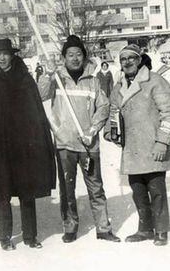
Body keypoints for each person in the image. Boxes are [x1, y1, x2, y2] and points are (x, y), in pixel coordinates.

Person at [38, 35, 120, 243]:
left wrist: (92, 130)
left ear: (84, 57)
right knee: (67, 188)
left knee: (96, 187)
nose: (75, 58)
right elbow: (40, 94)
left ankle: (103, 227)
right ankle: (70, 226)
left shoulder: (93, 81)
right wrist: (47, 74)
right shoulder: (57, 78)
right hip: (65, 144)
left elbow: (103, 107)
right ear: (64, 57)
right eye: (70, 54)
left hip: (88, 144)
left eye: (79, 54)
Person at [0, 38, 56, 250]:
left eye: (5, 53)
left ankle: (30, 236)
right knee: (2, 193)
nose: (2, 58)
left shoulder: (25, 80)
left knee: (26, 192)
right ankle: (4, 237)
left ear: (12, 55)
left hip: (23, 147)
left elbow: (36, 112)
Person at [105, 44, 170, 246]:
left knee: (157, 190)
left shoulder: (155, 81)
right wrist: (110, 132)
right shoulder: (118, 88)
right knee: (138, 190)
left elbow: (168, 113)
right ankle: (145, 229)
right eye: (123, 59)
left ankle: (161, 230)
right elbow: (113, 113)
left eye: (131, 58)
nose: (127, 62)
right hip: (131, 149)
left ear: (139, 60)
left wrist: (162, 142)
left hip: (153, 147)